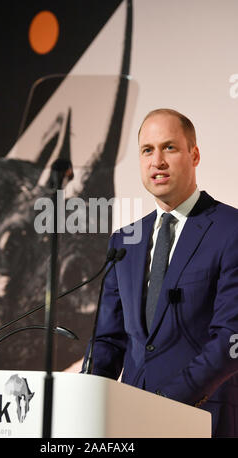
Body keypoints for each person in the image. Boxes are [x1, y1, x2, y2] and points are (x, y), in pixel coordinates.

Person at [82, 108, 238, 438]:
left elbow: (229, 339)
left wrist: (165, 402)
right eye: (147, 150)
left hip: (201, 417)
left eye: (169, 147)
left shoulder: (231, 229)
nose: (158, 161)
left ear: (194, 155)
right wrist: (88, 402)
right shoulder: (125, 241)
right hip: (128, 422)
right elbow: (107, 340)